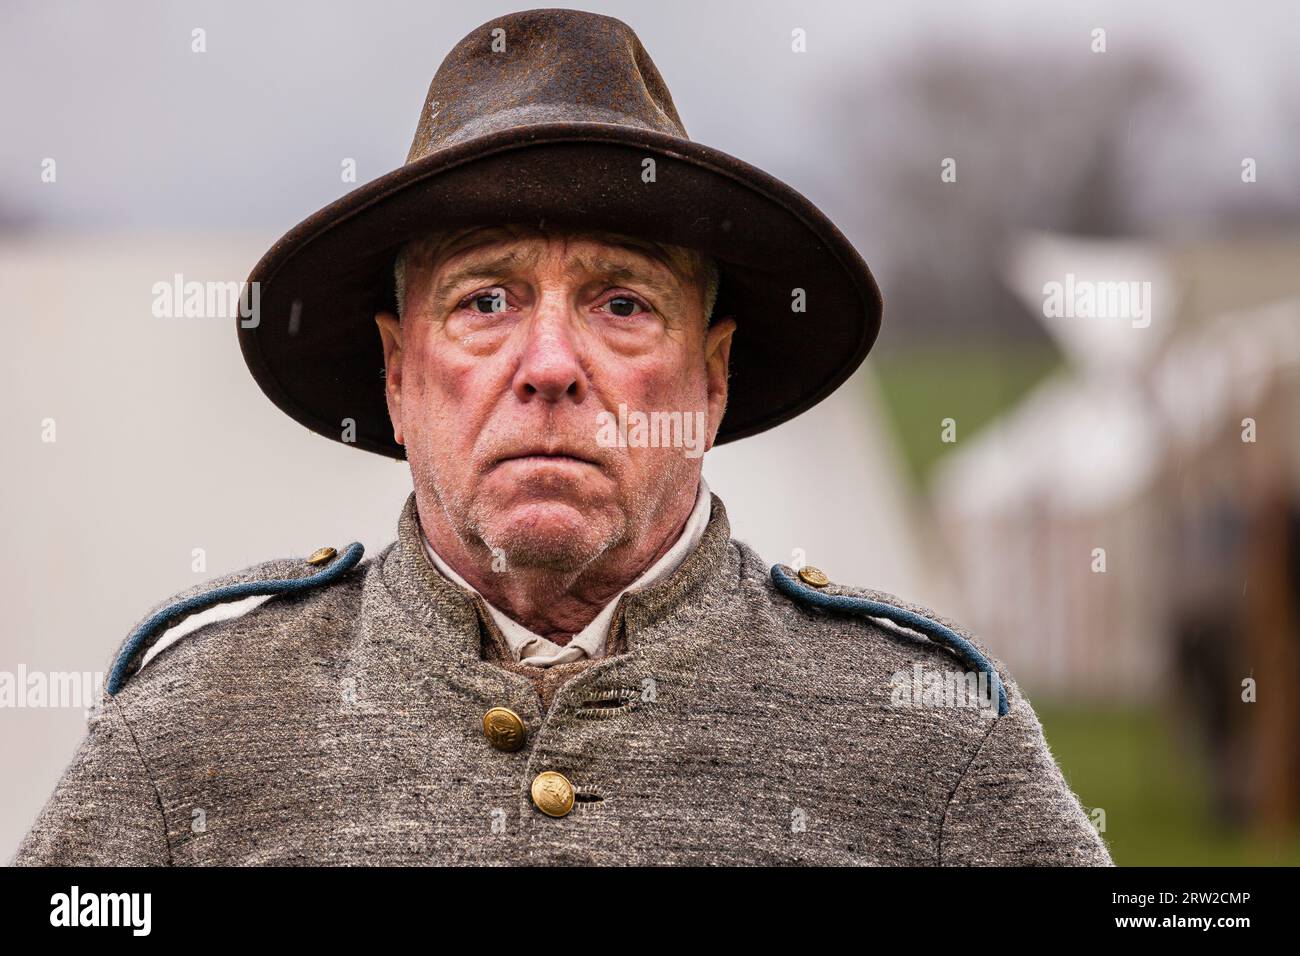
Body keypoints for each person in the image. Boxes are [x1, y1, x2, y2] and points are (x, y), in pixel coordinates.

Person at [12, 8, 1111, 866]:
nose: (547, 363)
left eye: (621, 303)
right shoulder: (185, 735)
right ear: (396, 374)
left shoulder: (934, 741)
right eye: (484, 299)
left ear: (712, 374)